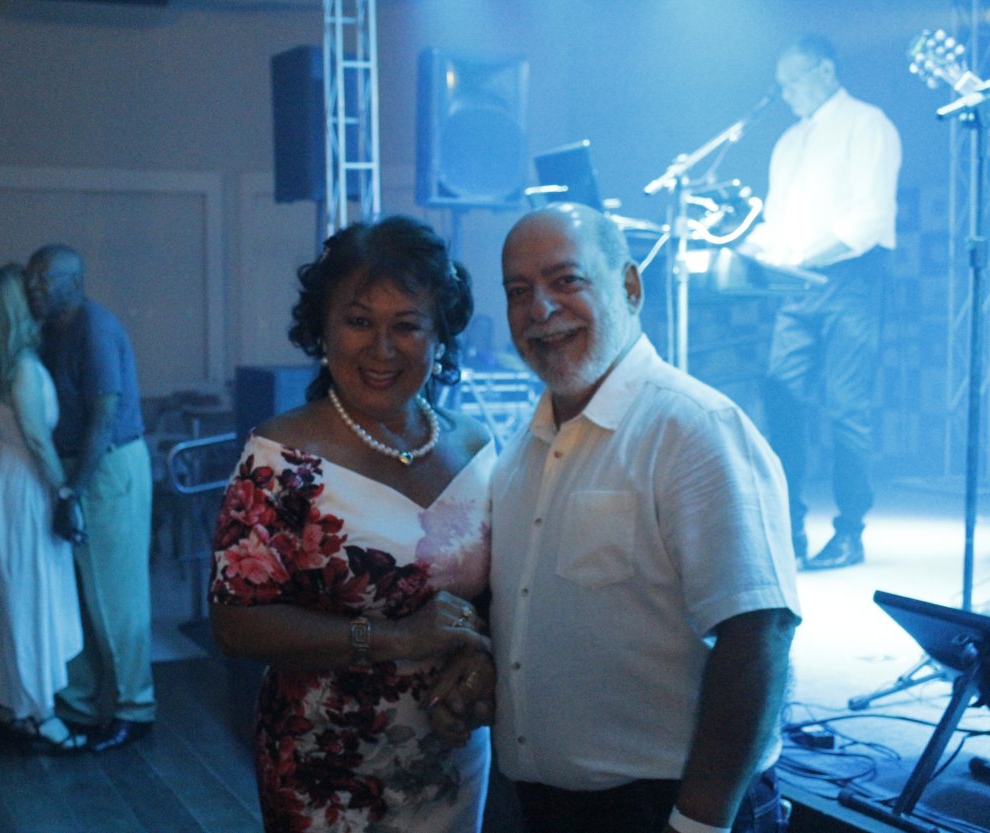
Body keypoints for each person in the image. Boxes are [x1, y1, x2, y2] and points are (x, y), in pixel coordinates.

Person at [491, 204, 801, 833]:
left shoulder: (694, 430)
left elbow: (758, 633)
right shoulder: (523, 451)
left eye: (566, 280)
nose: (540, 309)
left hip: (672, 810)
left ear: (630, 287)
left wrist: (698, 823)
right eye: (518, 291)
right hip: (551, 810)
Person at [208, 215, 496, 833]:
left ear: (440, 335)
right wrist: (393, 638)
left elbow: (499, 597)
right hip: (326, 765)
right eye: (360, 322)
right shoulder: (281, 459)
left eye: (407, 326)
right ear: (323, 329)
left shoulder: (477, 449)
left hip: (452, 756)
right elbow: (235, 624)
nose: (382, 349)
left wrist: (483, 663)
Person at [739, 34, 901, 570]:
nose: (786, 94)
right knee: (781, 400)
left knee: (846, 408)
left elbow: (869, 218)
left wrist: (799, 254)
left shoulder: (867, 124)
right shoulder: (788, 142)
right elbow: (778, 223)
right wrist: (746, 243)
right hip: (796, 285)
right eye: (781, 85)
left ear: (826, 71)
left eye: (793, 82)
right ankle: (788, 530)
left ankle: (850, 532)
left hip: (851, 280)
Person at [25, 243, 155, 753]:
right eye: (32, 279)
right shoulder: (51, 330)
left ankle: (134, 708)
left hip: (106, 466)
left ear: (75, 282)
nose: (35, 287)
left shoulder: (93, 328)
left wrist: (71, 491)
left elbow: (104, 418)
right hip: (80, 468)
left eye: (46, 279)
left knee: (115, 597)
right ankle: (78, 705)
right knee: (77, 595)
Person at [0, 264, 87, 755]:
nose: (40, 295)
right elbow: (38, 439)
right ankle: (40, 713)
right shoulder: (23, 367)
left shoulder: (1, 364)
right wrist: (65, 494)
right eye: (30, 291)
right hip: (28, 486)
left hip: (9, 480)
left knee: (14, 593)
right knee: (33, 594)